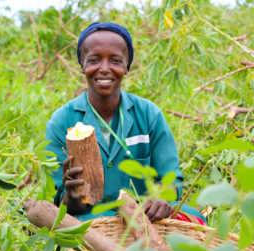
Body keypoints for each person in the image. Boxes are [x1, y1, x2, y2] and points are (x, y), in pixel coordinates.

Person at [45, 22, 206, 224]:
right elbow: (62, 204)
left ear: (126, 66)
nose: (104, 69)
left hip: (146, 218)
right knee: (62, 226)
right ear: (82, 65)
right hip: (91, 220)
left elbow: (171, 180)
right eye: (94, 60)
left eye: (115, 60)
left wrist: (161, 198)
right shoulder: (63, 121)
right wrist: (72, 195)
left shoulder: (148, 115)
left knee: (194, 218)